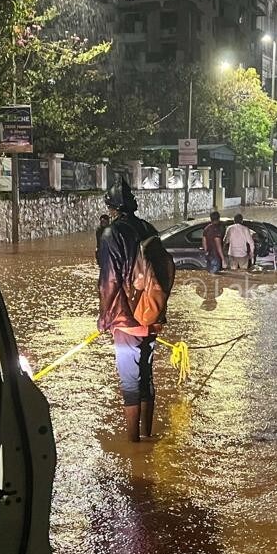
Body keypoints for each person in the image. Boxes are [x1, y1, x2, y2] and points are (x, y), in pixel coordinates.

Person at [97, 179, 160, 442]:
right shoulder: (148, 228)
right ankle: (148, 433)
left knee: (130, 381)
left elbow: (110, 280)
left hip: (126, 319)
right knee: (146, 374)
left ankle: (134, 443)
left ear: (112, 208)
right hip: (152, 314)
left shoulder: (112, 233)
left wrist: (104, 317)